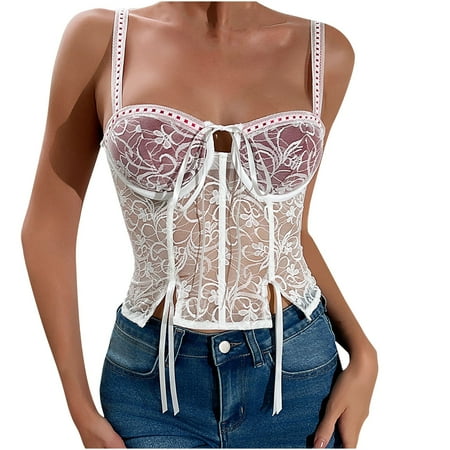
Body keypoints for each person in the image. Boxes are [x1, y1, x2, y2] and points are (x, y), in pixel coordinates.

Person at [21, 2, 378, 448]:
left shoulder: (324, 52)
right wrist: (79, 407)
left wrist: (363, 353)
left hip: (298, 375)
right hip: (152, 386)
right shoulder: (102, 39)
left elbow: (292, 234)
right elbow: (48, 228)